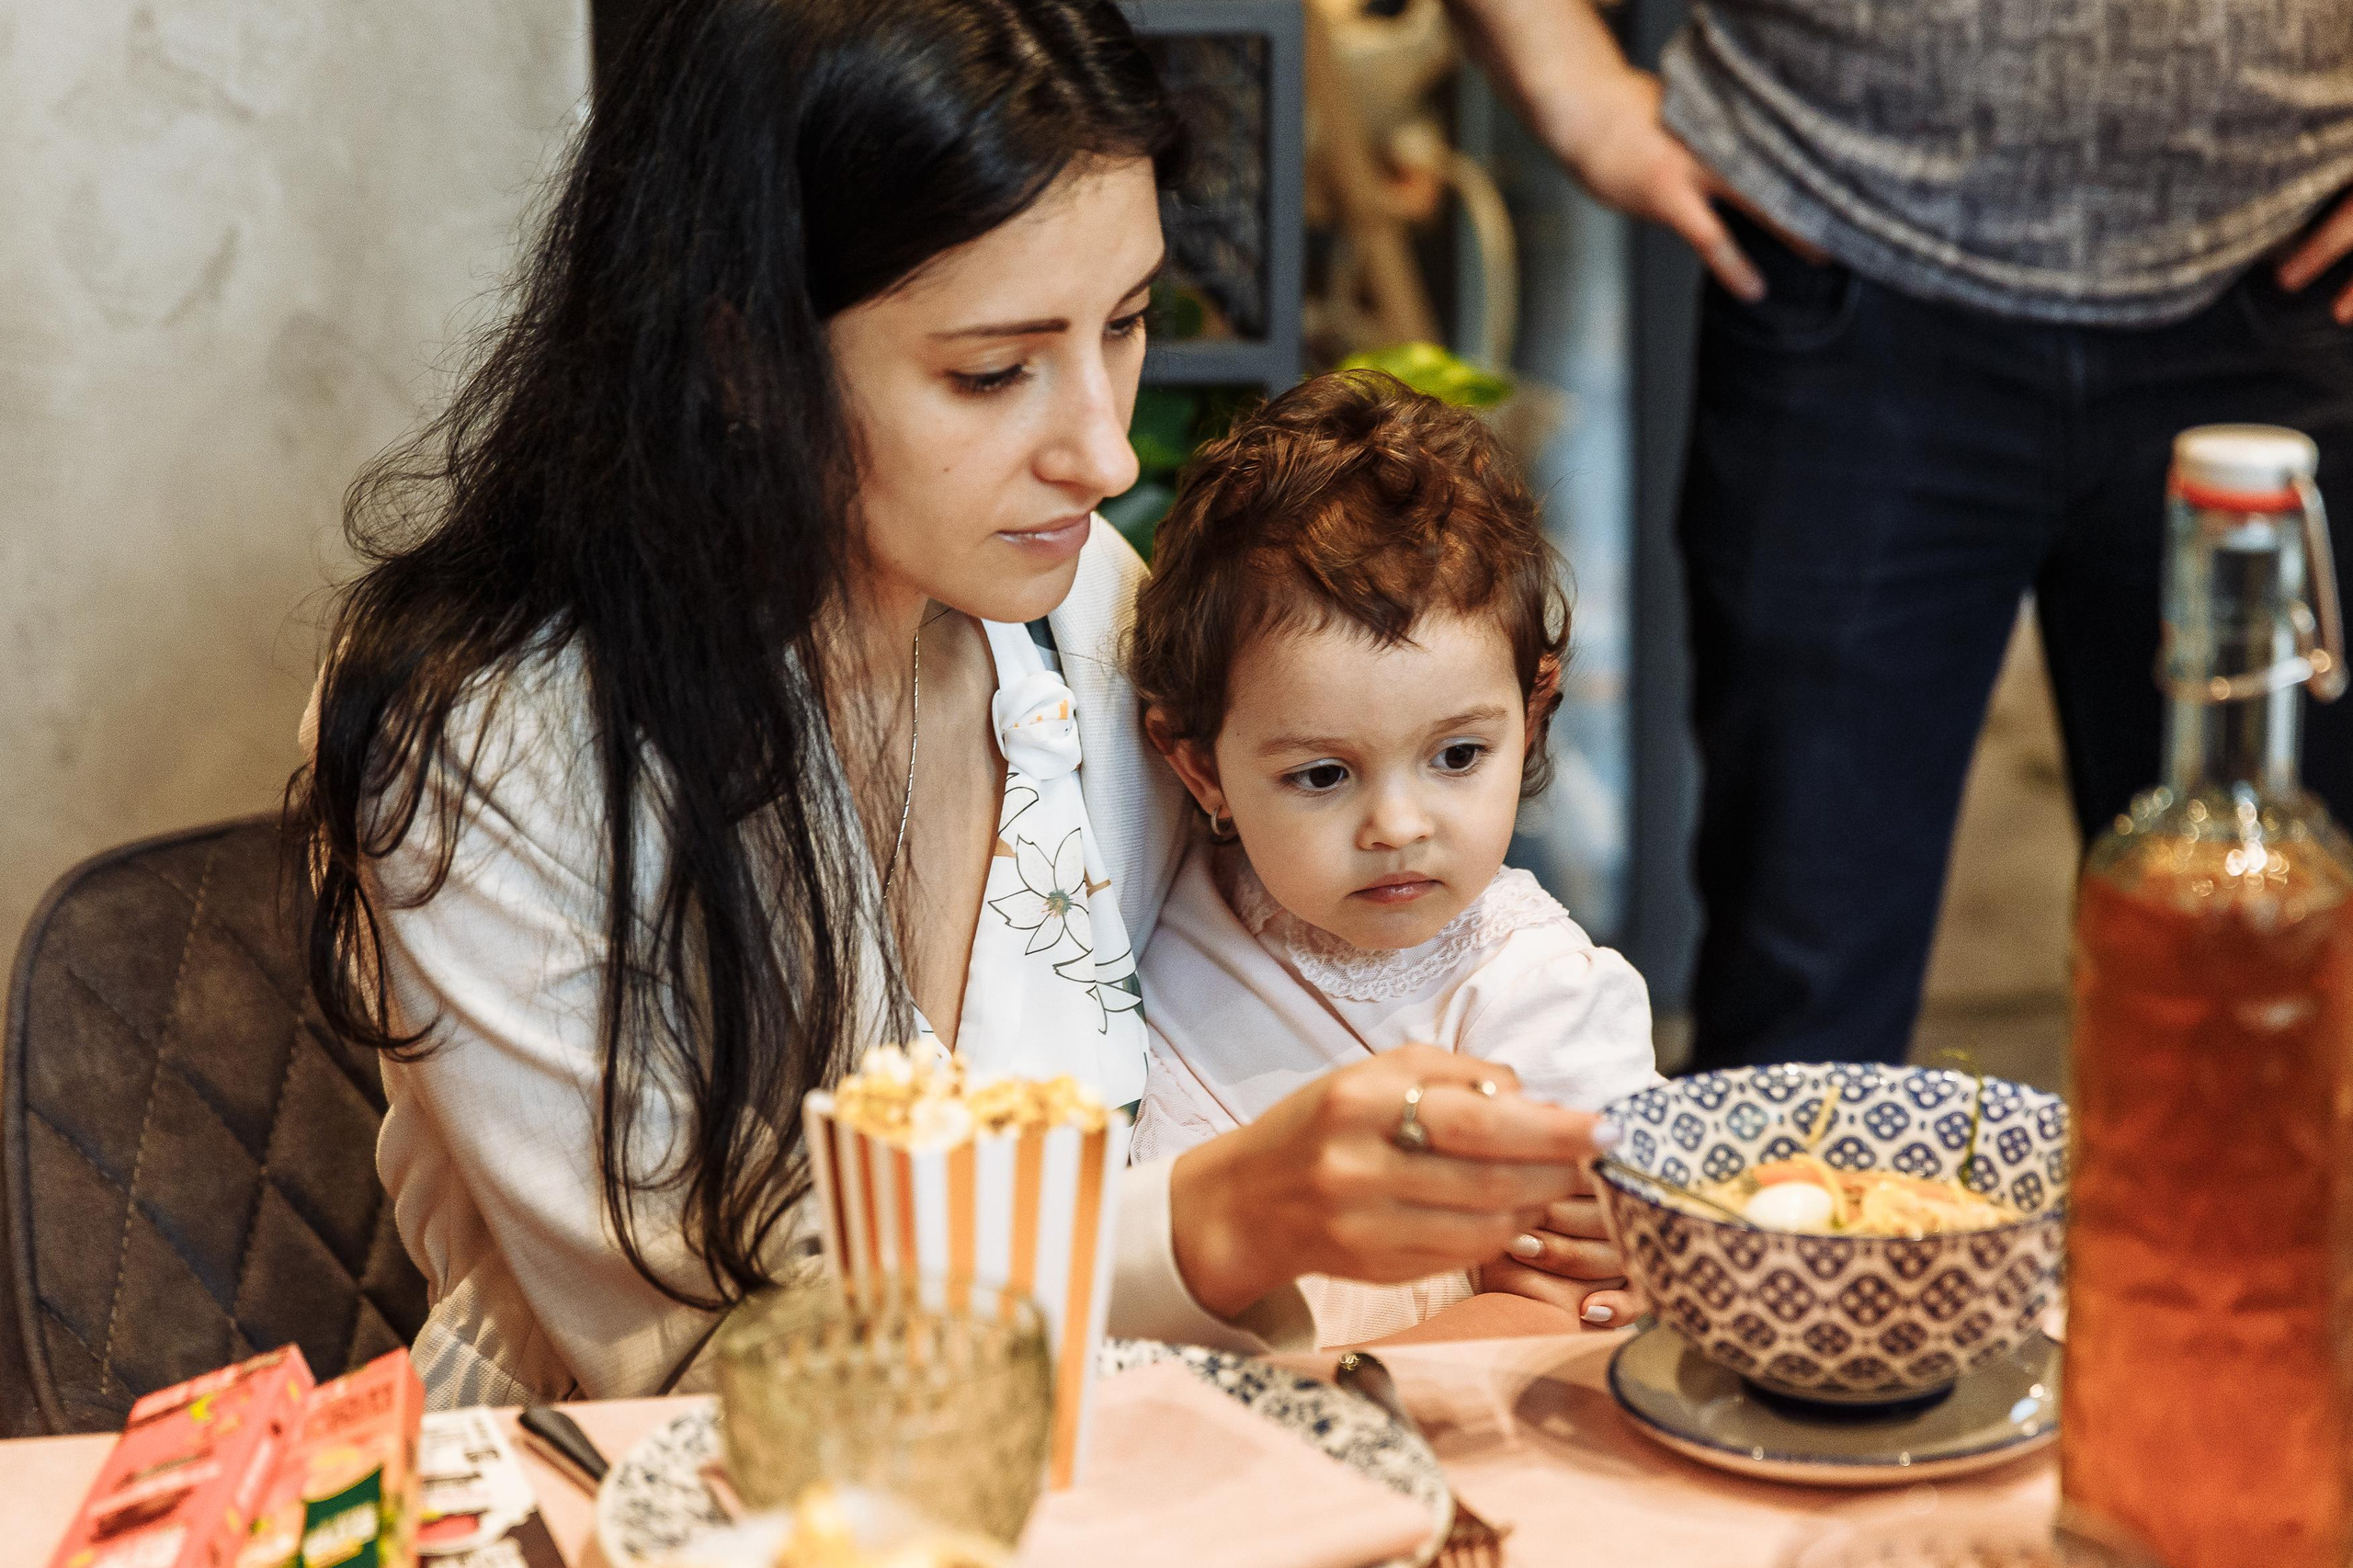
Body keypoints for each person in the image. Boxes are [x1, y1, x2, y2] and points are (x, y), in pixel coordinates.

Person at [291, 0, 1625, 1406]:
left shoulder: (1081, 613)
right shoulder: (489, 739)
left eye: (1126, 324)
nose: (1105, 451)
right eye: (992, 372)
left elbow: (1308, 948)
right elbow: (706, 1359)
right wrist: (1220, 1217)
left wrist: (1525, 1188)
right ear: (742, 359)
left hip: (1126, 1480)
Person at [1442, 0, 2353, 1070]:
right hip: (1838, 263)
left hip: (2286, 285)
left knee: (2264, 1011)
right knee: (1802, 1000)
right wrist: (1574, 91)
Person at [1126, 372, 1660, 1346]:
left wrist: (1304, 1410)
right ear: (1197, 766)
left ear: (1531, 715)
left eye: (1458, 755)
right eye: (1323, 774)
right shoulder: (1154, 890)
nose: (1398, 825)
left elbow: (1552, 1315)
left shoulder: (1539, 995)